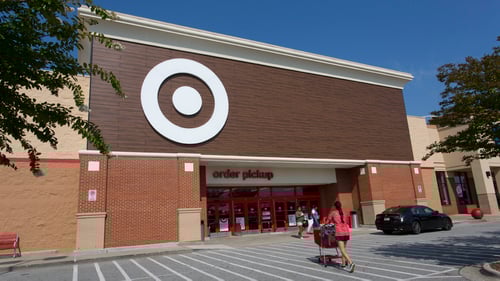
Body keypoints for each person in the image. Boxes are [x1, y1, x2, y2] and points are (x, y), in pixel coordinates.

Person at [327, 201, 355, 273]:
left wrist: (327, 223)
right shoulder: (344, 212)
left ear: (335, 206)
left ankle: (351, 263)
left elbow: (328, 221)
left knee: (342, 250)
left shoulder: (333, 213)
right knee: (344, 248)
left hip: (339, 232)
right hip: (346, 232)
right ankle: (343, 263)